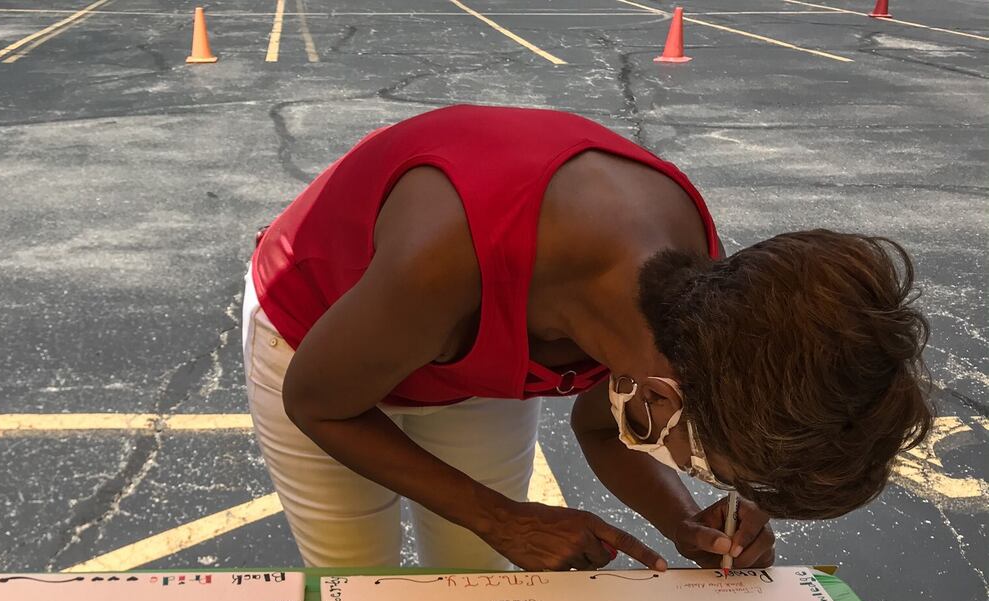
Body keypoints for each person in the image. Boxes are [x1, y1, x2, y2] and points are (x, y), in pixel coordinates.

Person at [242, 105, 933, 572]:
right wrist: (501, 518)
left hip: (467, 349)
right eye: (716, 469)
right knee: (354, 579)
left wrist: (683, 517)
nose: (714, 481)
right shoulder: (447, 261)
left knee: (474, 579)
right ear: (674, 393)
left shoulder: (708, 313)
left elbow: (601, 427)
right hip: (318, 335)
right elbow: (320, 403)